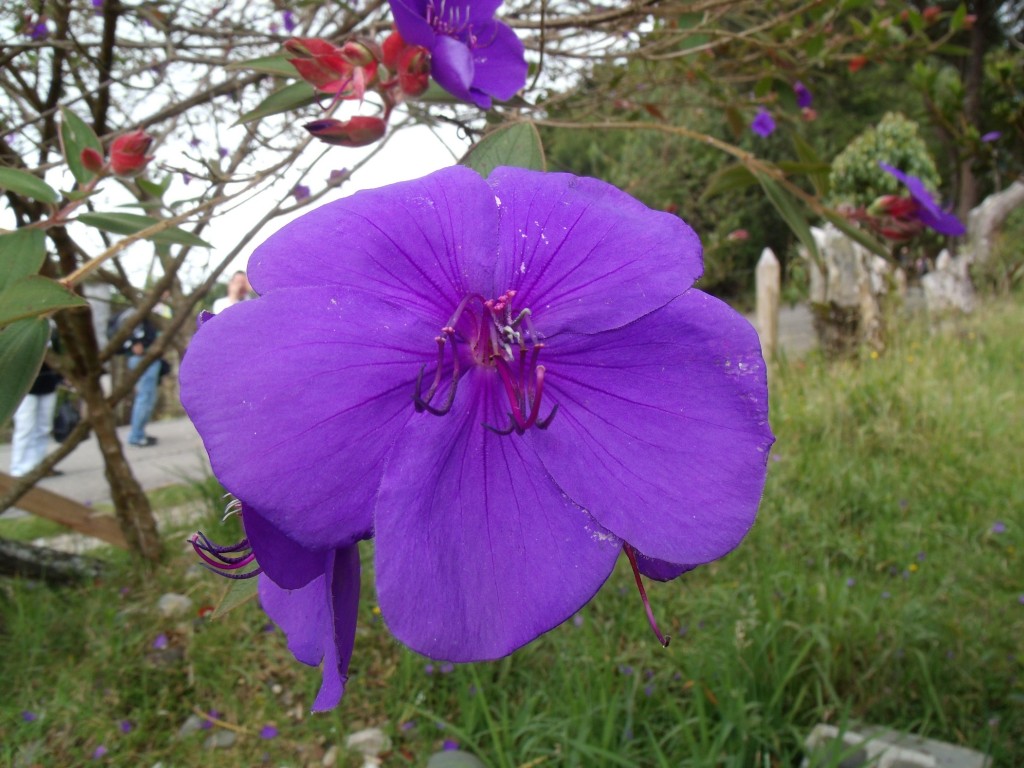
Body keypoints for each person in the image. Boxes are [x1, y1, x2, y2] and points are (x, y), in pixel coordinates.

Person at [10, 332, 62, 477]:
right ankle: (18, 468)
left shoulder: (52, 332)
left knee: (44, 427)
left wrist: (60, 378)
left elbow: (57, 357)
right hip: (25, 388)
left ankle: (38, 465)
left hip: (48, 384)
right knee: (25, 427)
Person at [111, 310, 162, 447]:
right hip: (142, 359)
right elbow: (125, 333)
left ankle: (139, 433)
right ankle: (135, 435)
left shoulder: (149, 315)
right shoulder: (133, 314)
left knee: (148, 399)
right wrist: (133, 344)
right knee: (144, 398)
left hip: (149, 358)